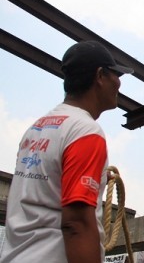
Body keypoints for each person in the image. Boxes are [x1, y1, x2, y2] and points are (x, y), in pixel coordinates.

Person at [0, 40, 133, 263]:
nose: (119, 83)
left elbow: (47, 185)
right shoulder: (86, 131)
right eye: (115, 75)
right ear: (100, 76)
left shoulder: (36, 129)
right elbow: (77, 223)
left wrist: (96, 176)